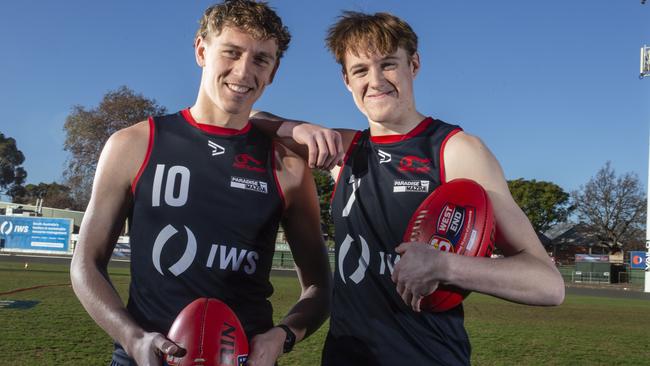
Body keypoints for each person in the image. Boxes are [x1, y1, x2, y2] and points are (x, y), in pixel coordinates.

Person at [254, 10, 565, 365]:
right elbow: (254, 120)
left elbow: (547, 284)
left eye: (388, 64)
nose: (375, 80)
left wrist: (446, 266)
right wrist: (296, 128)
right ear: (346, 81)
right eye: (360, 70)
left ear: (413, 64)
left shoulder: (455, 149)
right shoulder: (346, 150)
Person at [69, 2, 333, 366]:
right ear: (201, 50)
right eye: (232, 52)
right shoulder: (134, 145)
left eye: (261, 59)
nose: (243, 71)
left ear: (273, 71)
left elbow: (320, 287)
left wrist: (282, 336)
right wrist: (133, 338)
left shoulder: (287, 166)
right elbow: (85, 264)